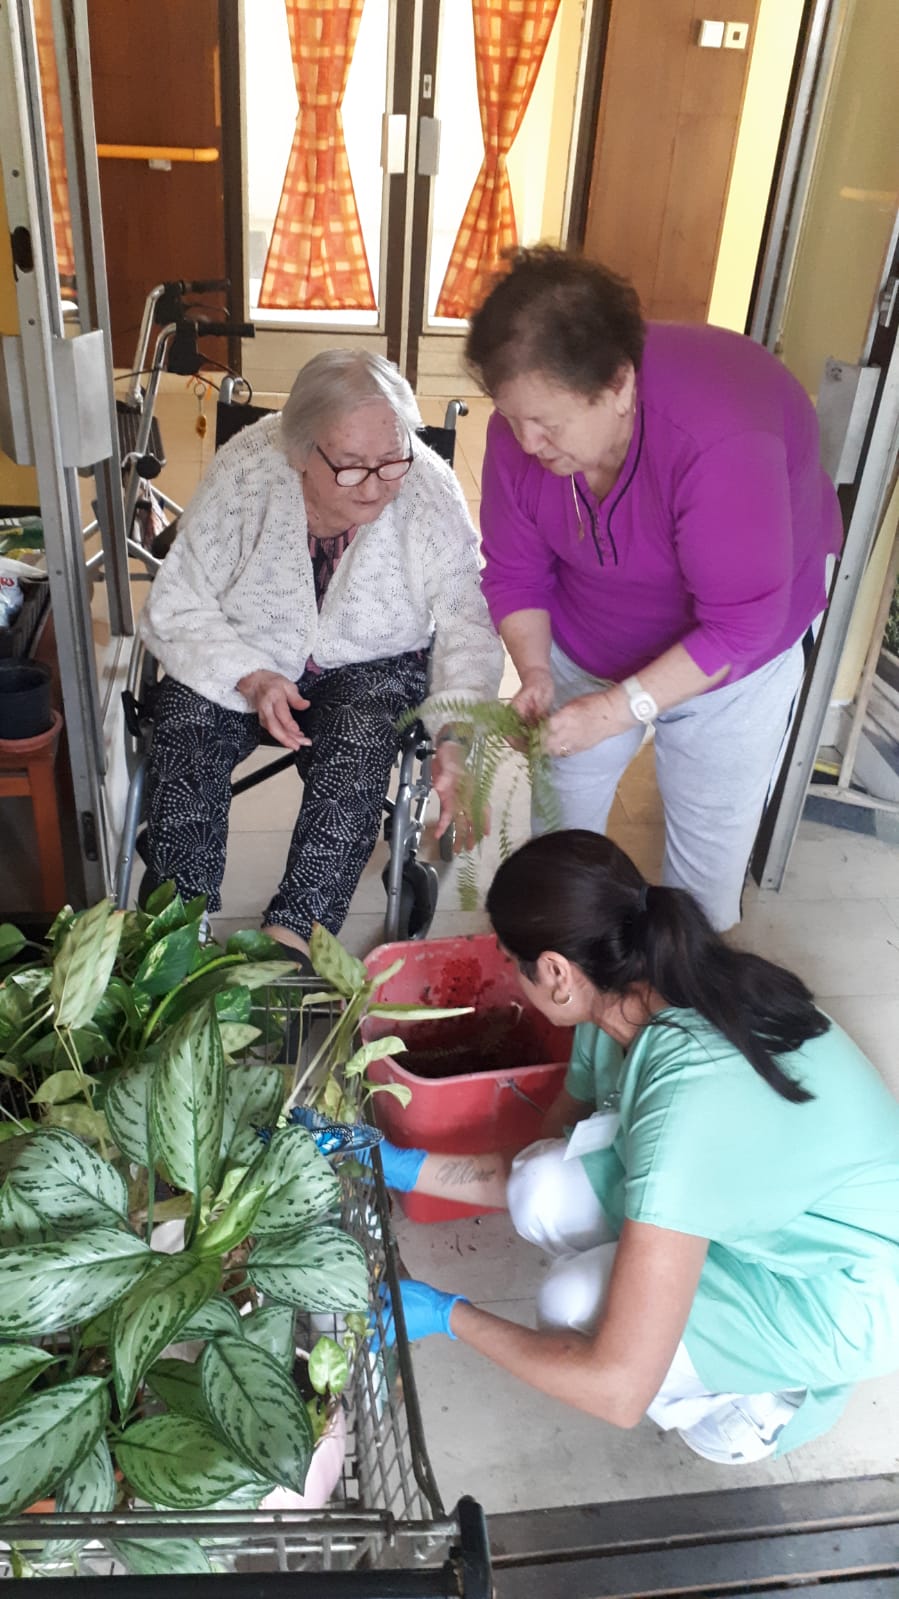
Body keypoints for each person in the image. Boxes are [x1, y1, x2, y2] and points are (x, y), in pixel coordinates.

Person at [376, 830, 899, 1463]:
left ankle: (762, 1399)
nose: (512, 978)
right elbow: (536, 1161)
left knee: (575, 1304)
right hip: (776, 1219)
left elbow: (617, 1390)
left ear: (557, 972)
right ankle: (662, 1300)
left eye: (514, 963)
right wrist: (398, 1166)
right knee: (543, 1184)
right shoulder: (627, 997)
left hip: (843, 1288)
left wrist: (446, 1314)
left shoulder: (686, 1095)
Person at [467, 247, 843, 930]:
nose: (526, 441)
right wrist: (535, 671)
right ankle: (568, 957)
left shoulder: (718, 434)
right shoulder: (520, 431)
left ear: (619, 386)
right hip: (589, 634)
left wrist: (620, 708)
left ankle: (681, 978)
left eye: (547, 423)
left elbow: (740, 625)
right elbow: (516, 574)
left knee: (705, 852)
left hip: (732, 664)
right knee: (560, 834)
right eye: (510, 415)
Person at [139, 350, 503, 956]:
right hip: (243, 654)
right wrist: (248, 675)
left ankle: (293, 938)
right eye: (352, 467)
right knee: (187, 722)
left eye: (392, 459)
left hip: (370, 663)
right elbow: (176, 603)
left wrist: (456, 737)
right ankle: (177, 932)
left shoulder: (426, 487)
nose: (379, 484)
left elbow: (469, 620)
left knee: (361, 737)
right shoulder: (247, 472)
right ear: (300, 450)